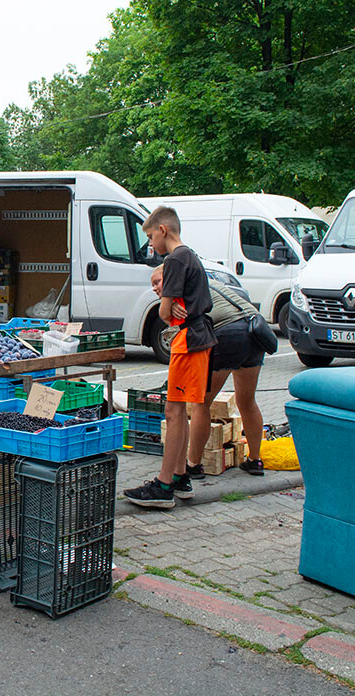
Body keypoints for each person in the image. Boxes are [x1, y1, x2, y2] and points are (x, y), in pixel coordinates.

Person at [125, 206, 215, 509]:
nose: (150, 245)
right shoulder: (191, 255)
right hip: (198, 336)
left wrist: (168, 310)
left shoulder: (174, 259)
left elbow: (164, 311)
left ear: (163, 230)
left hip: (188, 340)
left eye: (151, 237)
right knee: (182, 409)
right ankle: (179, 476)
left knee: (173, 412)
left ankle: (163, 486)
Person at [147, 267, 267, 479]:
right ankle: (254, 460)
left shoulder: (181, 293)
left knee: (201, 402)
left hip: (229, 335)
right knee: (247, 400)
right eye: (153, 284)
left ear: (173, 277)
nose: (155, 288)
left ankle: (194, 464)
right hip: (255, 331)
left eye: (158, 282)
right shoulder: (207, 283)